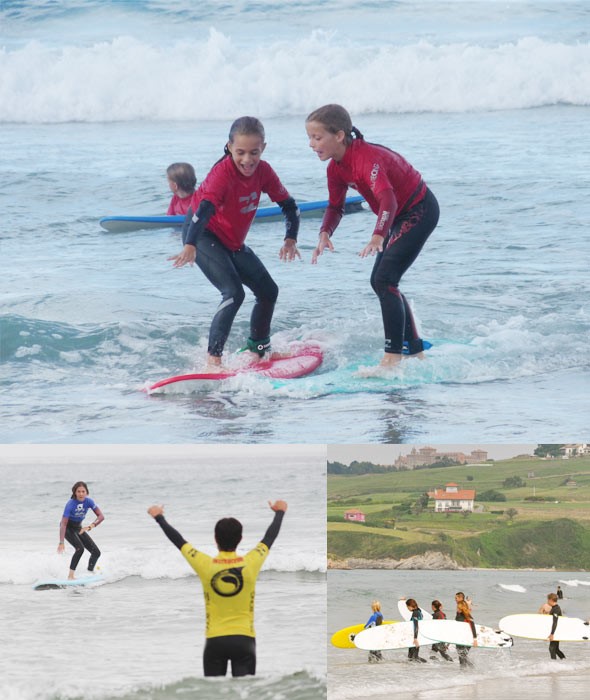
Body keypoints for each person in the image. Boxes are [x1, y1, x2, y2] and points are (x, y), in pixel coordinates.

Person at [305, 104, 439, 367]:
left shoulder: (366, 159)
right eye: (309, 137)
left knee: (384, 280)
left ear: (340, 136)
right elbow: (335, 206)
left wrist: (378, 235)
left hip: (418, 210)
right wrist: (324, 232)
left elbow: (387, 199)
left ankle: (392, 357)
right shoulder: (335, 168)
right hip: (397, 216)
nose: (311, 144)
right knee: (383, 281)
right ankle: (413, 351)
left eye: (317, 137)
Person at [170, 117, 301, 369]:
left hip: (231, 241)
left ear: (263, 147)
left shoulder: (264, 171)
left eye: (254, 152)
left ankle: (259, 348)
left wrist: (290, 239)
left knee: (268, 291)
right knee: (233, 293)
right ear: (229, 147)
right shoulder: (222, 174)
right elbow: (204, 210)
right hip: (203, 234)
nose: (247, 160)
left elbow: (290, 206)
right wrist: (190, 244)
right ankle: (214, 360)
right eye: (240, 152)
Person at [147, 499, 287, 677]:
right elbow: (269, 538)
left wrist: (159, 517)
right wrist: (280, 512)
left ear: (215, 539)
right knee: (245, 693)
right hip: (244, 640)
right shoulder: (251, 562)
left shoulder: (205, 564)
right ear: (240, 539)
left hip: (215, 640)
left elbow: (178, 541)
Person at [57, 481, 104, 580]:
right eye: (78, 491)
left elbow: (101, 516)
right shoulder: (70, 504)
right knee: (80, 549)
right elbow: (63, 524)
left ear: (87, 492)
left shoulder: (89, 501)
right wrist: (61, 542)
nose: (81, 494)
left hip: (78, 528)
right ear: (75, 492)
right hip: (68, 528)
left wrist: (91, 526)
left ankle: (90, 572)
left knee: (96, 552)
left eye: (83, 491)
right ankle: (70, 576)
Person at [539, 593, 566, 660]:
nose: (547, 602)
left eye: (548, 600)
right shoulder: (554, 608)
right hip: (556, 630)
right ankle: (564, 661)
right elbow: (551, 620)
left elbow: (555, 621)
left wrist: (552, 634)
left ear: (551, 600)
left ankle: (554, 664)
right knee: (556, 649)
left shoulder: (556, 609)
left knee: (552, 649)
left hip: (556, 631)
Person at [455, 599, 478, 667]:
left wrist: (475, 640)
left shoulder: (466, 617)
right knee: (462, 656)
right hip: (462, 639)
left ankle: (467, 670)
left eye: (458, 608)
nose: (456, 609)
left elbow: (473, 627)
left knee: (462, 656)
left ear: (461, 609)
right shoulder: (460, 616)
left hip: (465, 639)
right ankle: (470, 668)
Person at [405, 598, 427, 662]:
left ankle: (426, 664)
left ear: (410, 606)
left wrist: (415, 638)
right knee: (412, 657)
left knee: (413, 657)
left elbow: (416, 625)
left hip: (415, 637)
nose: (407, 608)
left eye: (407, 607)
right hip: (417, 636)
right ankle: (415, 670)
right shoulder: (419, 611)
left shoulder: (415, 613)